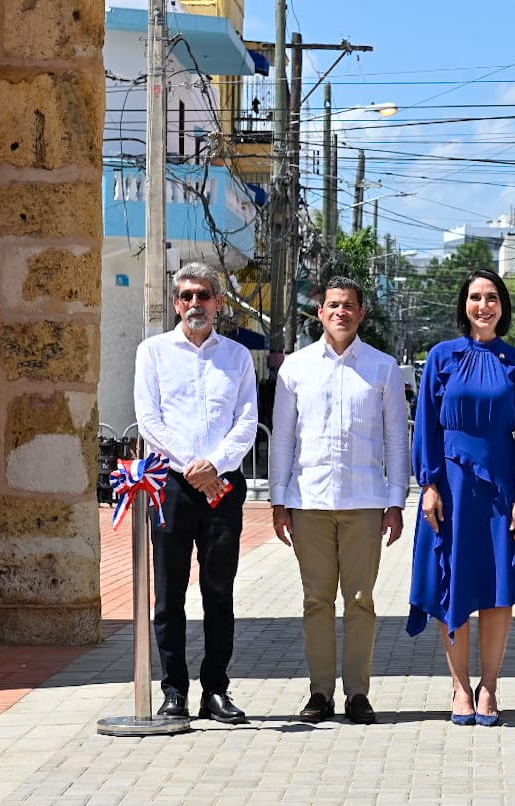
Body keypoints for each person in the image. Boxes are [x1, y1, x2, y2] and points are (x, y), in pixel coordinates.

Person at [269, 276, 409, 725]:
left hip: (365, 501)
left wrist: (395, 500)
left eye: (349, 305)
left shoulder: (383, 367)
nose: (341, 312)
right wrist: (278, 499)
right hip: (308, 501)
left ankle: (358, 693)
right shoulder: (296, 367)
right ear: (321, 313)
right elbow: (283, 439)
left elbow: (395, 440)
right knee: (316, 601)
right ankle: (320, 692)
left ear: (361, 313)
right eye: (333, 305)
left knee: (361, 600)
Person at [407, 269, 515, 727]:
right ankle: (460, 686)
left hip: (501, 489)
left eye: (491, 298)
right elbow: (426, 423)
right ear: (463, 305)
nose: (483, 305)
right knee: (454, 583)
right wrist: (427, 484)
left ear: (503, 306)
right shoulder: (441, 357)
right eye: (474, 298)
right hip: (450, 488)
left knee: (498, 589)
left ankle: (490, 685)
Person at [134, 261, 258, 724]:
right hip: (170, 484)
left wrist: (217, 467)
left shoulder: (237, 357)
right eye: (185, 296)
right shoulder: (153, 352)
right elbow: (150, 420)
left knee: (218, 590)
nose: (194, 304)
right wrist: (193, 467)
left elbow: (247, 421)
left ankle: (216, 691)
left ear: (218, 303)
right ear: (174, 303)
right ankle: (173, 691)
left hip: (224, 488)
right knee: (169, 594)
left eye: (203, 295)